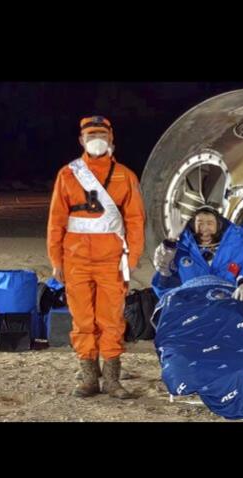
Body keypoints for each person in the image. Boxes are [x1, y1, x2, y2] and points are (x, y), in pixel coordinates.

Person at [47, 115, 145, 399]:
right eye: (91, 135)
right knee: (83, 320)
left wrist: (133, 257)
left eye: (101, 134)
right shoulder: (67, 174)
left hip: (112, 261)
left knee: (111, 319)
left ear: (112, 139)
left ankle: (112, 380)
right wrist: (56, 260)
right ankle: (89, 377)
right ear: (81, 140)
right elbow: (56, 221)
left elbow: (136, 220)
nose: (96, 139)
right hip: (75, 261)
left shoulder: (125, 175)